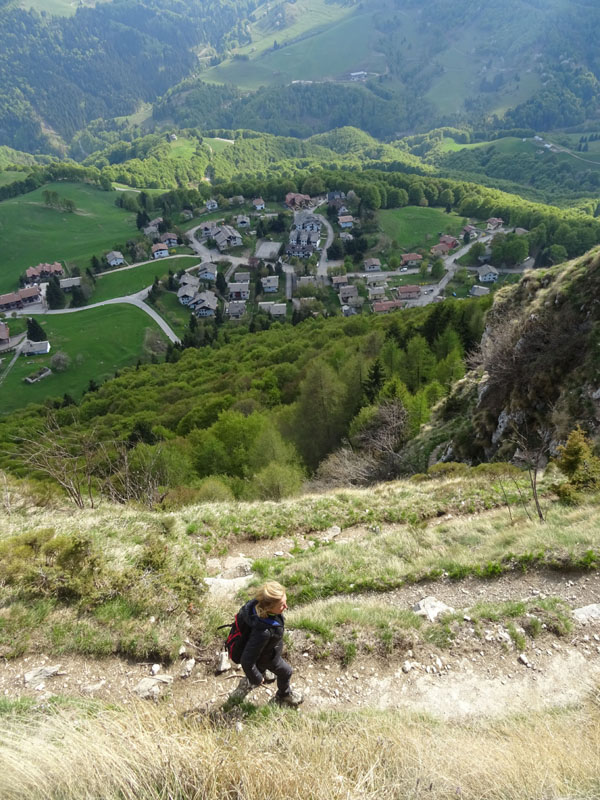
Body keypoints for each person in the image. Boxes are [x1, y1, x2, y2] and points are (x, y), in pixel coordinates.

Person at [228, 581, 303, 707]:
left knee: (260, 668)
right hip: (268, 658)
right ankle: (283, 695)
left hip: (263, 652)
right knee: (286, 672)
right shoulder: (263, 632)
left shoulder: (257, 608)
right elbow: (247, 660)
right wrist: (257, 678)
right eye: (281, 605)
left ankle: (252, 678)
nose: (286, 607)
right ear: (268, 607)